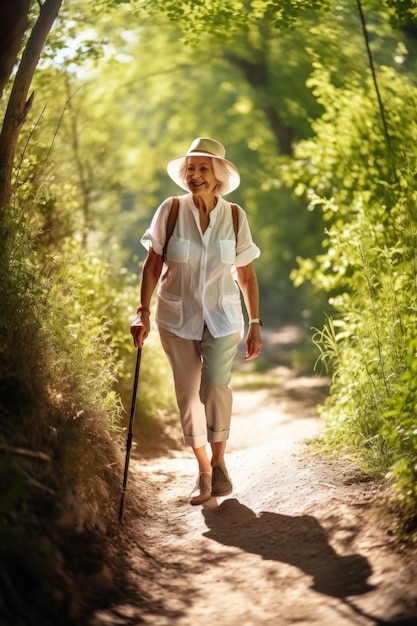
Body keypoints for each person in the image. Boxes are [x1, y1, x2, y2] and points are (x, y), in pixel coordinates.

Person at [130, 137, 262, 505]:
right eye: (190, 168)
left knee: (215, 387)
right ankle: (203, 469)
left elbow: (246, 275)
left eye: (203, 168)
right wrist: (141, 313)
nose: (195, 175)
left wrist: (255, 322)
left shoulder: (235, 216)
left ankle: (220, 464)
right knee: (189, 397)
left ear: (218, 176)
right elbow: (153, 263)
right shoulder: (170, 210)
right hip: (176, 317)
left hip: (222, 317)